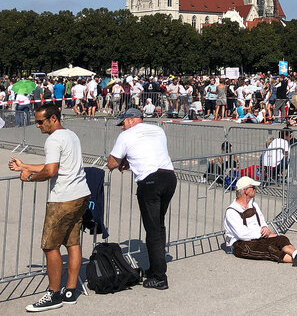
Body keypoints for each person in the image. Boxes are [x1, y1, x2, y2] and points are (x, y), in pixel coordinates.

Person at [8, 104, 90, 312]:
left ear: (53, 118)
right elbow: (59, 166)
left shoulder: (53, 139)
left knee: (49, 245)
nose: (37, 125)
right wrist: (24, 166)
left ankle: (53, 293)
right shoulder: (70, 135)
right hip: (80, 194)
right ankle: (70, 290)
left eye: (40, 121)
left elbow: (51, 171)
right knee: (72, 242)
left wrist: (30, 178)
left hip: (63, 199)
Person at [106, 108, 176, 290]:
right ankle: (155, 268)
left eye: (122, 123)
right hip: (168, 177)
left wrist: (122, 162)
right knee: (159, 226)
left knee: (153, 230)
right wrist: (130, 159)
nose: (121, 128)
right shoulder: (158, 130)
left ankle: (160, 277)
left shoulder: (126, 135)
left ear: (131, 120)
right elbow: (148, 151)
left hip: (150, 181)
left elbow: (111, 163)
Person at [224, 177, 297, 265]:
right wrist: (264, 234)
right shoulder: (232, 211)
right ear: (246, 191)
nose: (256, 189)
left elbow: (261, 219)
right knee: (269, 249)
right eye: (253, 187)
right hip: (241, 243)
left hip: (258, 237)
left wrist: (265, 227)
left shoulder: (253, 204)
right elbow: (242, 234)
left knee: (282, 239)